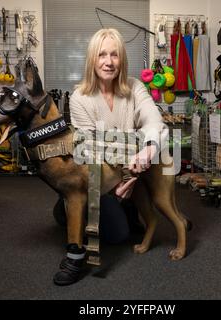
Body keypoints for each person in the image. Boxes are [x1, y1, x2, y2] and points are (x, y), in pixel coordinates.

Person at [53, 28, 167, 285]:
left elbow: (154, 120)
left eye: (114, 55)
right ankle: (65, 207)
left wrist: (148, 150)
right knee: (116, 234)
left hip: (124, 170)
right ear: (92, 59)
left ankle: (123, 205)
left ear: (122, 59)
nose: (108, 61)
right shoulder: (80, 97)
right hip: (96, 177)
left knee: (119, 234)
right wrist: (124, 176)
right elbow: (92, 149)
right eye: (102, 54)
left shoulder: (135, 87)